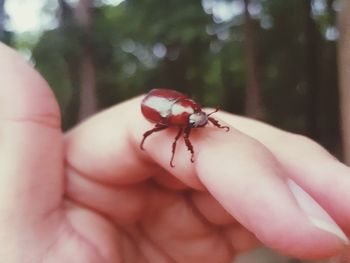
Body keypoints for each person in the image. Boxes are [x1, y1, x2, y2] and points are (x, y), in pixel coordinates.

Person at [0, 42, 349, 263]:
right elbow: (173, 132)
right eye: (197, 119)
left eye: (199, 117)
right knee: (173, 141)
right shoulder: (171, 124)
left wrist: (209, 121)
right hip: (158, 110)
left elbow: (201, 120)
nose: (200, 122)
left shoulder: (191, 114)